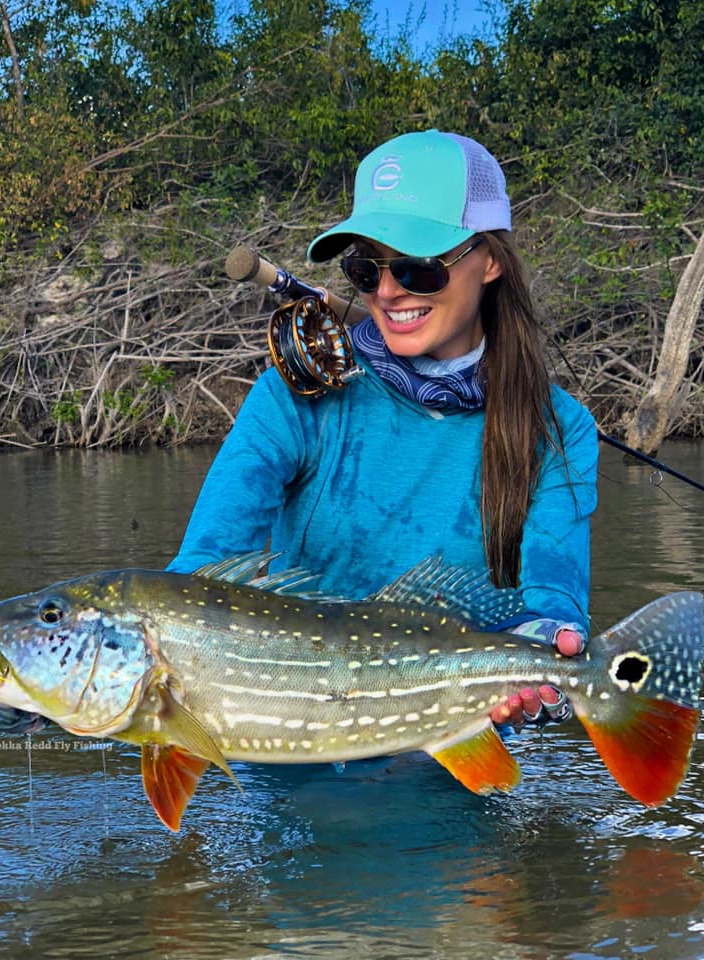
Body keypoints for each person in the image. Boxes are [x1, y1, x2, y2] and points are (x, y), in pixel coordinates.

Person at [168, 129, 599, 730]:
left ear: (492, 260)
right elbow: (198, 577)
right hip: (289, 761)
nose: (388, 292)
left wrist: (549, 650)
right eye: (366, 269)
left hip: (451, 754)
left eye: (419, 269)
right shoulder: (290, 395)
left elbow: (552, 600)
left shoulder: (563, 429)